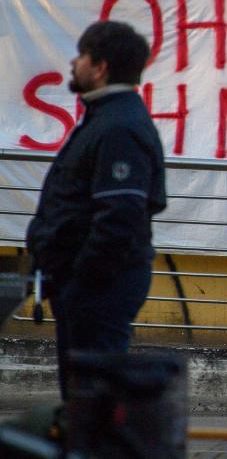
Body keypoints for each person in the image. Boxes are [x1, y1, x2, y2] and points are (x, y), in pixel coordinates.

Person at [26, 20, 167, 400]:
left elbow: (120, 214)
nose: (73, 63)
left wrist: (83, 279)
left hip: (99, 288)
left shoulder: (118, 127)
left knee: (94, 398)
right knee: (83, 396)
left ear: (100, 67)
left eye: (82, 56)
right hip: (88, 287)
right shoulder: (107, 118)